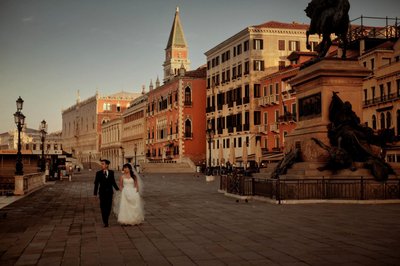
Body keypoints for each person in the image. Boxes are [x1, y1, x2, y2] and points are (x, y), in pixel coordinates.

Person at [94, 159, 119, 227]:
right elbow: (96, 184)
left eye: (103, 164)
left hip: (110, 193)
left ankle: (106, 217)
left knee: (108, 207)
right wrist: (95, 194)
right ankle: (105, 221)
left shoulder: (111, 172)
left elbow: (113, 182)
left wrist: (118, 189)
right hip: (102, 193)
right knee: (103, 207)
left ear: (107, 165)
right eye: (101, 164)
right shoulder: (98, 173)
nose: (101, 165)